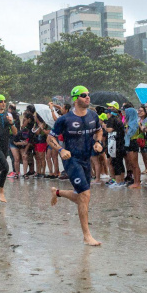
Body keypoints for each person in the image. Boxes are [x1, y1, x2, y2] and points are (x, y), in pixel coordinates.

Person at [48, 86, 103, 246]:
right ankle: (87, 236)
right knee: (85, 196)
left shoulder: (93, 115)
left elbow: (99, 131)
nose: (88, 97)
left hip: (86, 159)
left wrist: (98, 142)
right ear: (75, 98)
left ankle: (57, 192)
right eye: (84, 95)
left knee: (83, 197)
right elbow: (50, 139)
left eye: (89, 94)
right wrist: (60, 149)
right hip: (71, 160)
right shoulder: (64, 120)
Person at [123, 105, 142, 189]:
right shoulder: (130, 122)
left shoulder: (133, 123)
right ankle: (135, 181)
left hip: (132, 143)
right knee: (131, 163)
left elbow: (129, 133)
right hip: (129, 143)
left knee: (135, 164)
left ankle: (137, 182)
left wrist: (125, 127)